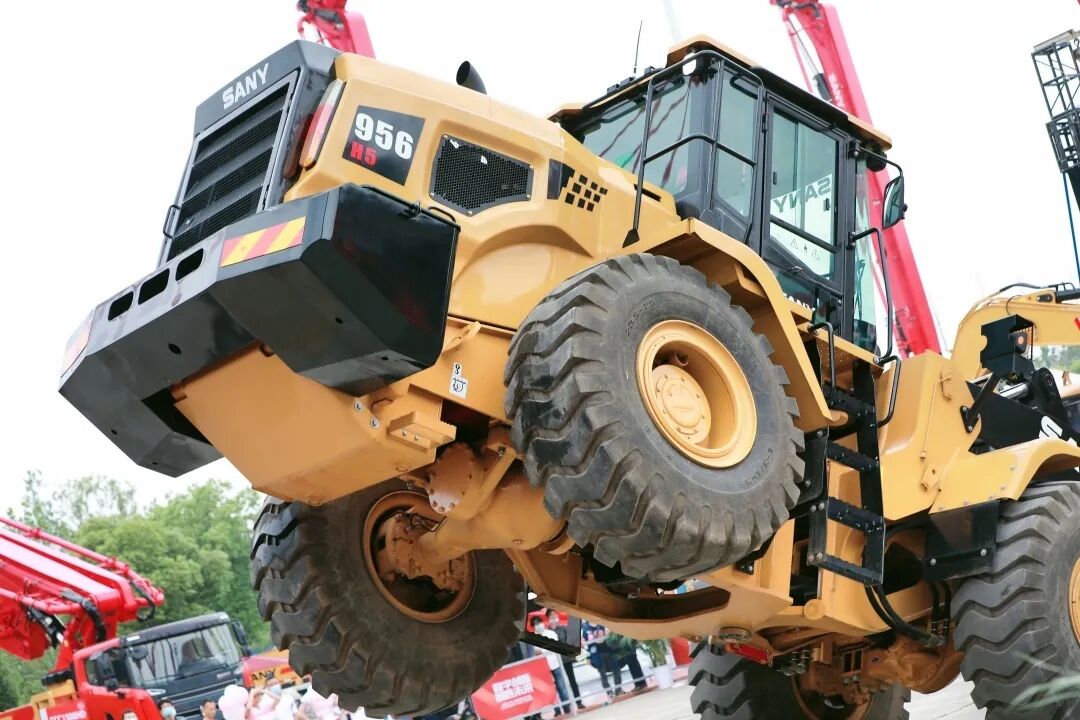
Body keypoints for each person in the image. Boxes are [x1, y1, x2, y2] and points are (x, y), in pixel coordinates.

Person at [530, 616, 571, 716]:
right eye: (535, 624)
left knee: (561, 687)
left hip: (555, 664)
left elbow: (554, 646)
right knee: (551, 691)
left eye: (539, 623)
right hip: (543, 668)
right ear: (533, 627)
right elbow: (534, 651)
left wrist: (542, 650)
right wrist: (544, 649)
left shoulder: (551, 633)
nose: (538, 626)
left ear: (543, 623)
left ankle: (567, 707)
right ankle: (557, 710)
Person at [545, 609, 585, 711]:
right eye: (551, 616)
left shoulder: (563, 628)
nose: (554, 618)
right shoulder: (546, 632)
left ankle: (578, 701)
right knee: (559, 684)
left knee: (572, 681)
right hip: (554, 662)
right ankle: (565, 706)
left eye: (555, 615)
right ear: (548, 618)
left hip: (566, 659)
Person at [582, 621, 617, 701]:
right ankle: (609, 692)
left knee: (616, 668)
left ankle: (618, 689)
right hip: (596, 654)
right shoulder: (585, 628)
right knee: (603, 674)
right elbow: (583, 643)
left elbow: (609, 632)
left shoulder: (602, 623)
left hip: (608, 650)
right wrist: (587, 658)